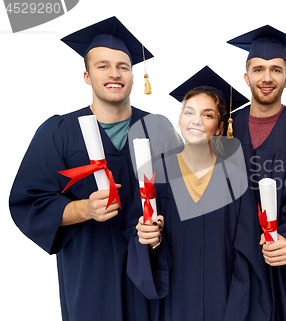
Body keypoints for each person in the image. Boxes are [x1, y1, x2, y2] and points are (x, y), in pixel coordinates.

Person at [9, 16, 178, 321]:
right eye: (103, 66)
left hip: (151, 273)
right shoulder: (58, 131)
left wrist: (160, 228)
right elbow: (30, 202)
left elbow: (181, 201)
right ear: (87, 76)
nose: (114, 74)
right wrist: (84, 209)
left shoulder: (159, 128)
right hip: (89, 276)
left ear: (133, 75)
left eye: (123, 66)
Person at [127, 66, 272, 320]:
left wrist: (235, 313)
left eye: (207, 115)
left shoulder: (235, 180)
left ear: (218, 127)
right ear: (180, 120)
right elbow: (138, 239)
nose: (196, 120)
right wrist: (150, 241)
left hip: (224, 303)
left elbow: (246, 258)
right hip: (174, 304)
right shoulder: (156, 175)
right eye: (189, 112)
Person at [227, 25, 286, 320]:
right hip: (230, 260)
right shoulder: (226, 126)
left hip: (278, 263)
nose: (267, 78)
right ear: (246, 77)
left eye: (276, 70)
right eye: (258, 70)